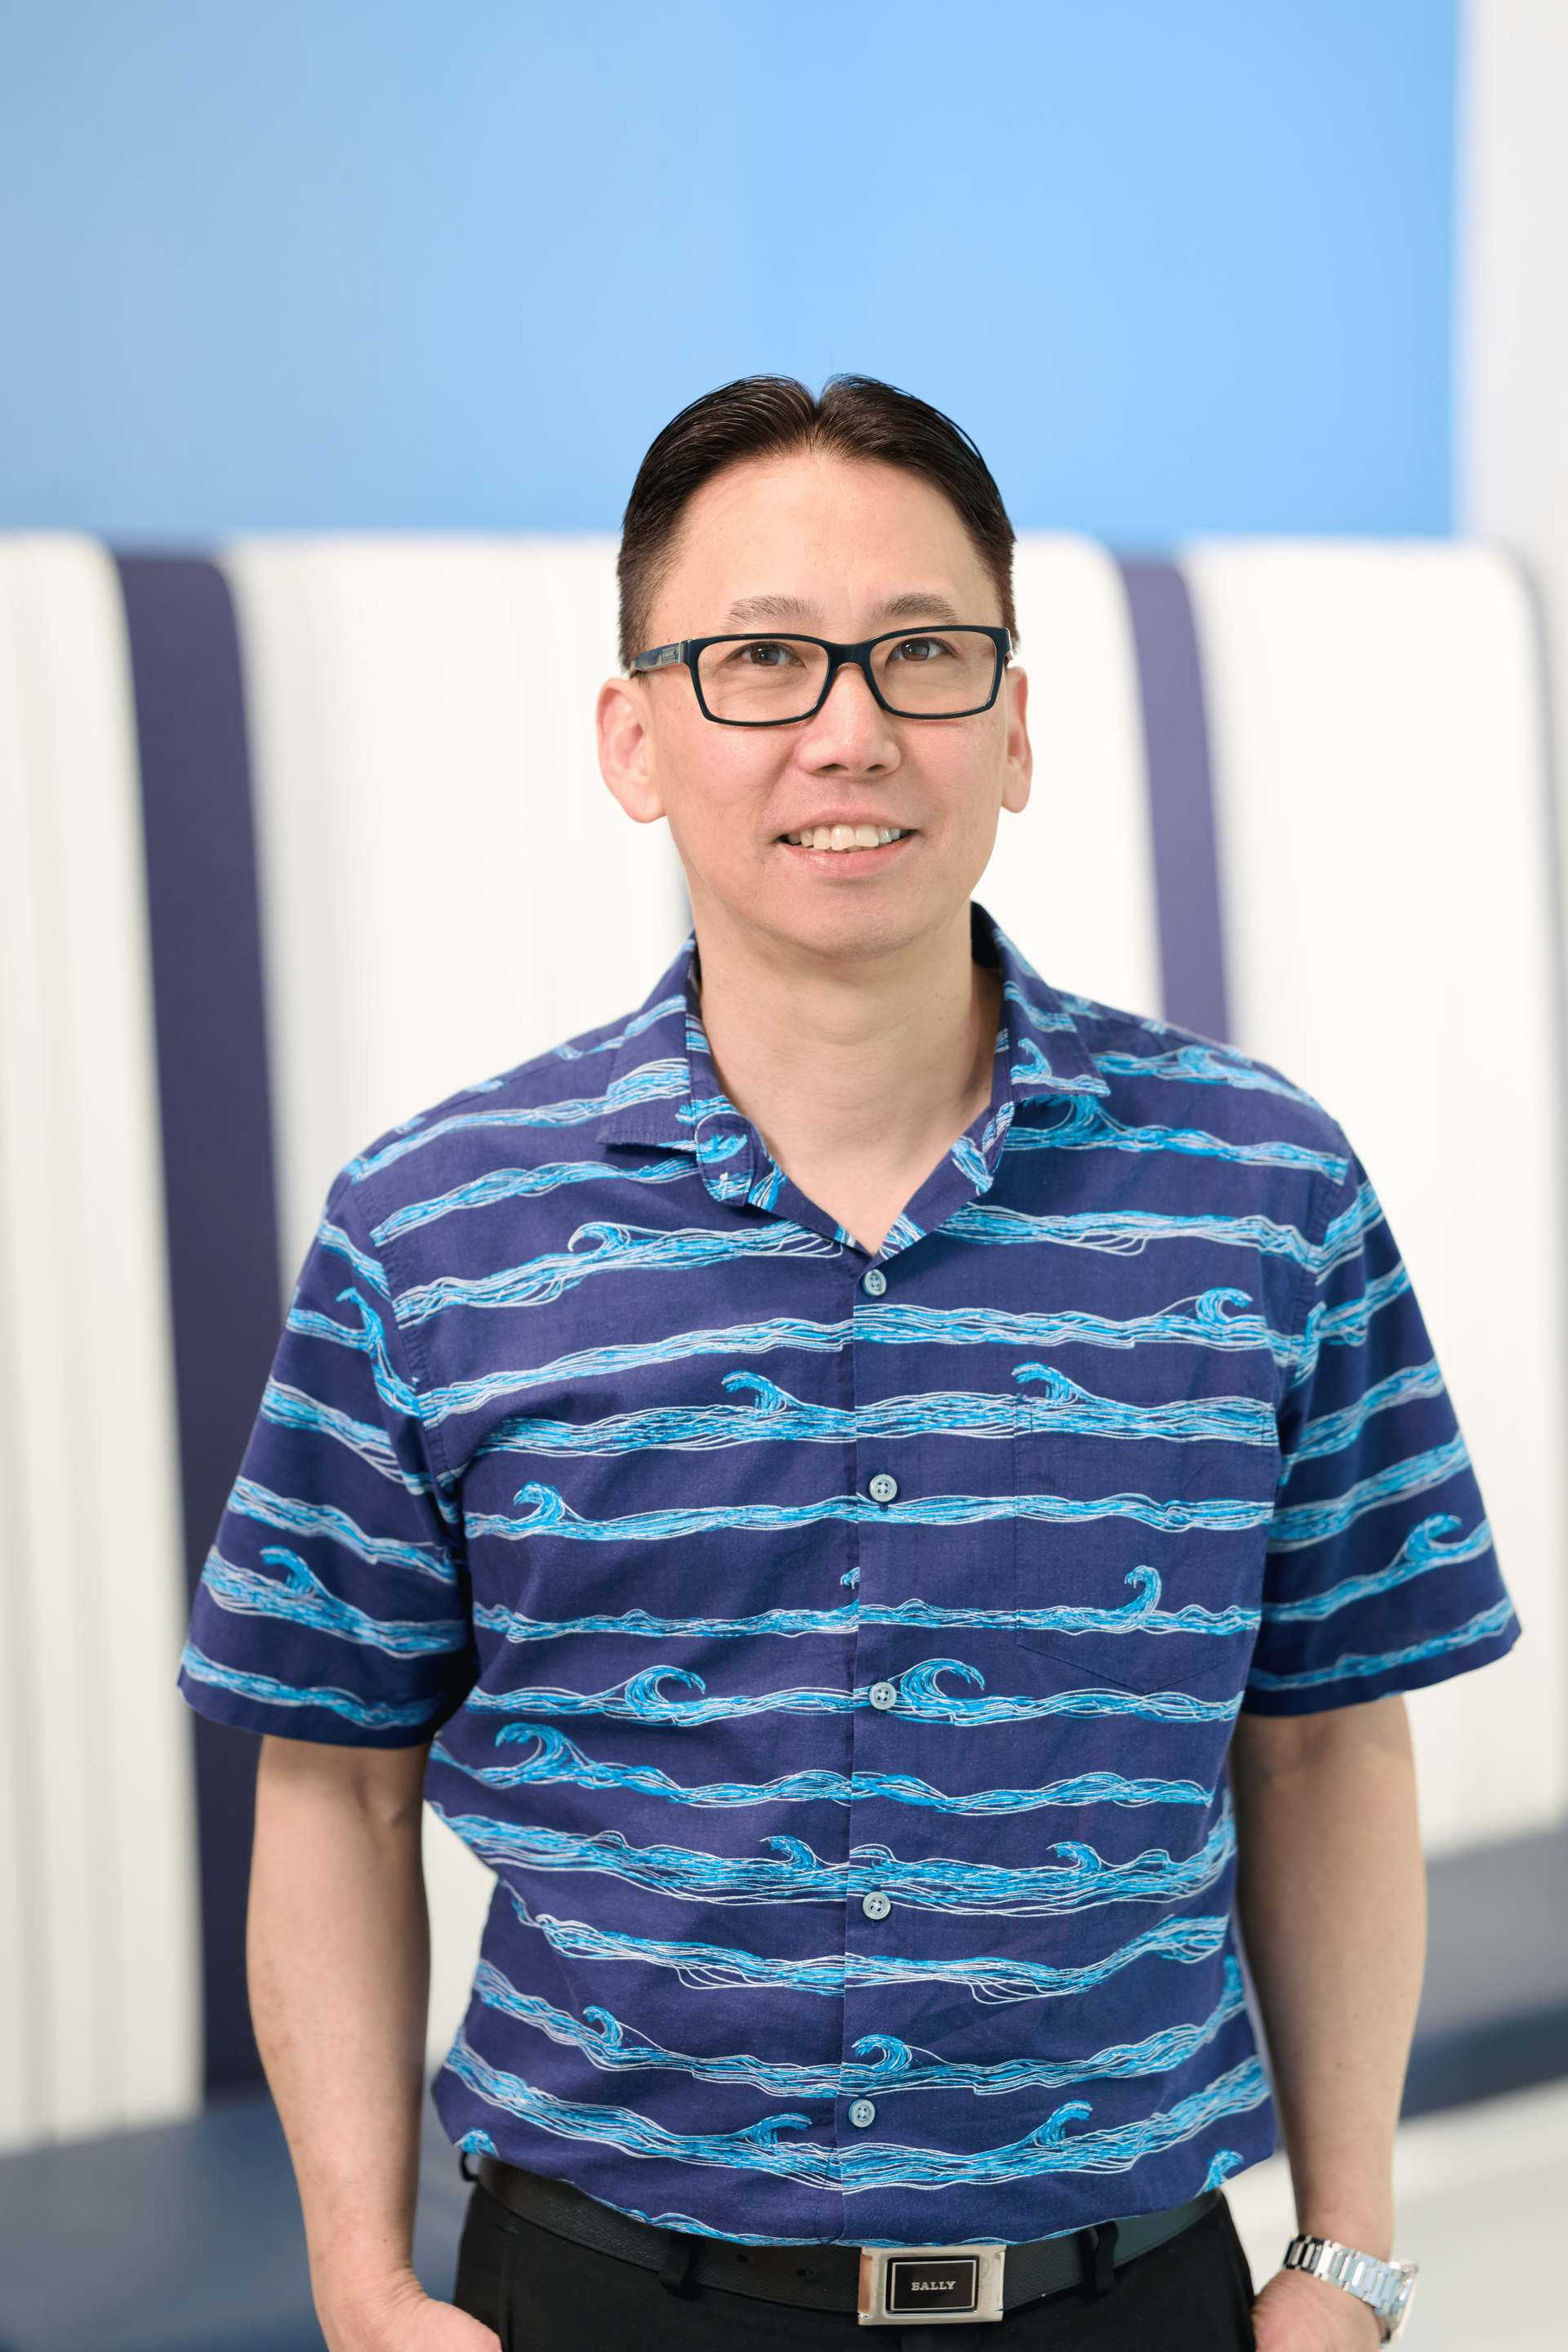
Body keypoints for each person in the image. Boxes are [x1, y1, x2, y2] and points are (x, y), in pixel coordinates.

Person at [180, 376, 1517, 2352]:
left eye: (922, 652)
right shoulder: (433, 1229)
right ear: (633, 738)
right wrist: (360, 2284)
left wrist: (1348, 2249)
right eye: (759, 659)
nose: (850, 726)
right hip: (598, 2295)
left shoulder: (1262, 1191)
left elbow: (1325, 1735)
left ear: (1019, 723)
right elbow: (337, 1790)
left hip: (1132, 2297)